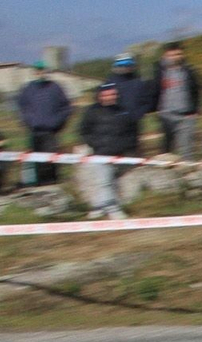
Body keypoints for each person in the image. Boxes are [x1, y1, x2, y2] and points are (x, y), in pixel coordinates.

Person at [79, 82, 141, 220]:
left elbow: (133, 131)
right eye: (106, 94)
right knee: (104, 181)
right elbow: (84, 131)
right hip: (100, 153)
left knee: (113, 181)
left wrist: (129, 147)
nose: (109, 97)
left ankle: (99, 206)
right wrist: (96, 144)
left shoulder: (124, 111)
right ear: (100, 96)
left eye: (112, 94)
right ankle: (113, 209)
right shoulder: (91, 111)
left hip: (121, 154)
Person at [16, 61, 73, 184]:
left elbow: (66, 107)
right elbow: (21, 108)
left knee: (51, 159)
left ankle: (52, 183)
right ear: (34, 72)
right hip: (34, 131)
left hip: (51, 131)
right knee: (37, 159)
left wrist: (57, 122)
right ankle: (39, 184)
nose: (40, 73)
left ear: (46, 72)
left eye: (42, 70)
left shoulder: (55, 87)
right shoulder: (27, 89)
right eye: (37, 70)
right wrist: (29, 120)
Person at [152, 42, 201, 159]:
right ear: (165, 56)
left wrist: (195, 110)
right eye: (172, 55)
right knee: (166, 151)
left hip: (186, 116)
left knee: (187, 150)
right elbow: (154, 90)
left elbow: (196, 90)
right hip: (166, 115)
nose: (175, 57)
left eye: (178, 54)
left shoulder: (188, 71)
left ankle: (188, 174)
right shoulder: (159, 71)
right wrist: (156, 109)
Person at [109, 53, 152, 126]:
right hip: (114, 123)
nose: (125, 68)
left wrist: (138, 114)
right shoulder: (109, 84)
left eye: (128, 65)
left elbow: (146, 101)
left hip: (134, 123)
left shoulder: (139, 82)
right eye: (121, 65)